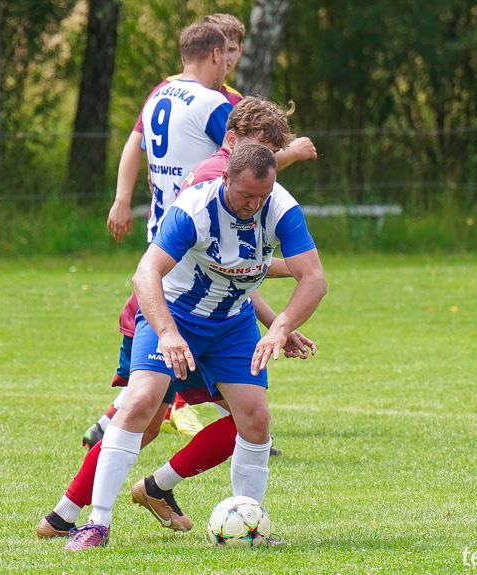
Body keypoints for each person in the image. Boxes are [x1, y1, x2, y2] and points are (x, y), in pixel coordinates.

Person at [37, 97, 315, 540]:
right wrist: (167, 332)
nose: (252, 205)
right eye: (246, 193)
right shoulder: (203, 194)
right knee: (143, 407)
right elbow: (149, 270)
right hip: (170, 311)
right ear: (230, 156)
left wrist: (279, 326)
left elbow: (290, 274)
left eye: (273, 152)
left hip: (228, 322)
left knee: (252, 417)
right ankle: (90, 520)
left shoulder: (275, 202)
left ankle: (241, 521)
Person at [83, 13, 318, 447]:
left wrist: (121, 198)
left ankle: (225, 429)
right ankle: (98, 474)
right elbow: (249, 165)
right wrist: (291, 153)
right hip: (190, 247)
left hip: (170, 235)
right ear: (216, 54)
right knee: (157, 386)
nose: (231, 60)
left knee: (177, 386)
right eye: (228, 52)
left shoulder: (159, 93)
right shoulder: (216, 106)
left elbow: (135, 144)